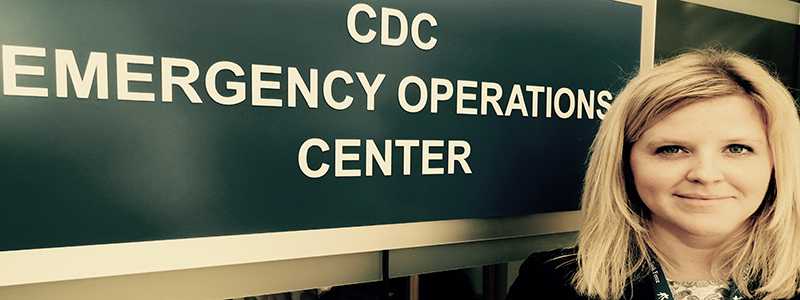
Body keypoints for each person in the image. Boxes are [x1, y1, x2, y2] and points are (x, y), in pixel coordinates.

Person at [507, 49, 800, 300]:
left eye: (737, 148)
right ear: (624, 162)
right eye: (672, 149)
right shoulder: (552, 282)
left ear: (777, 162)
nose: (706, 174)